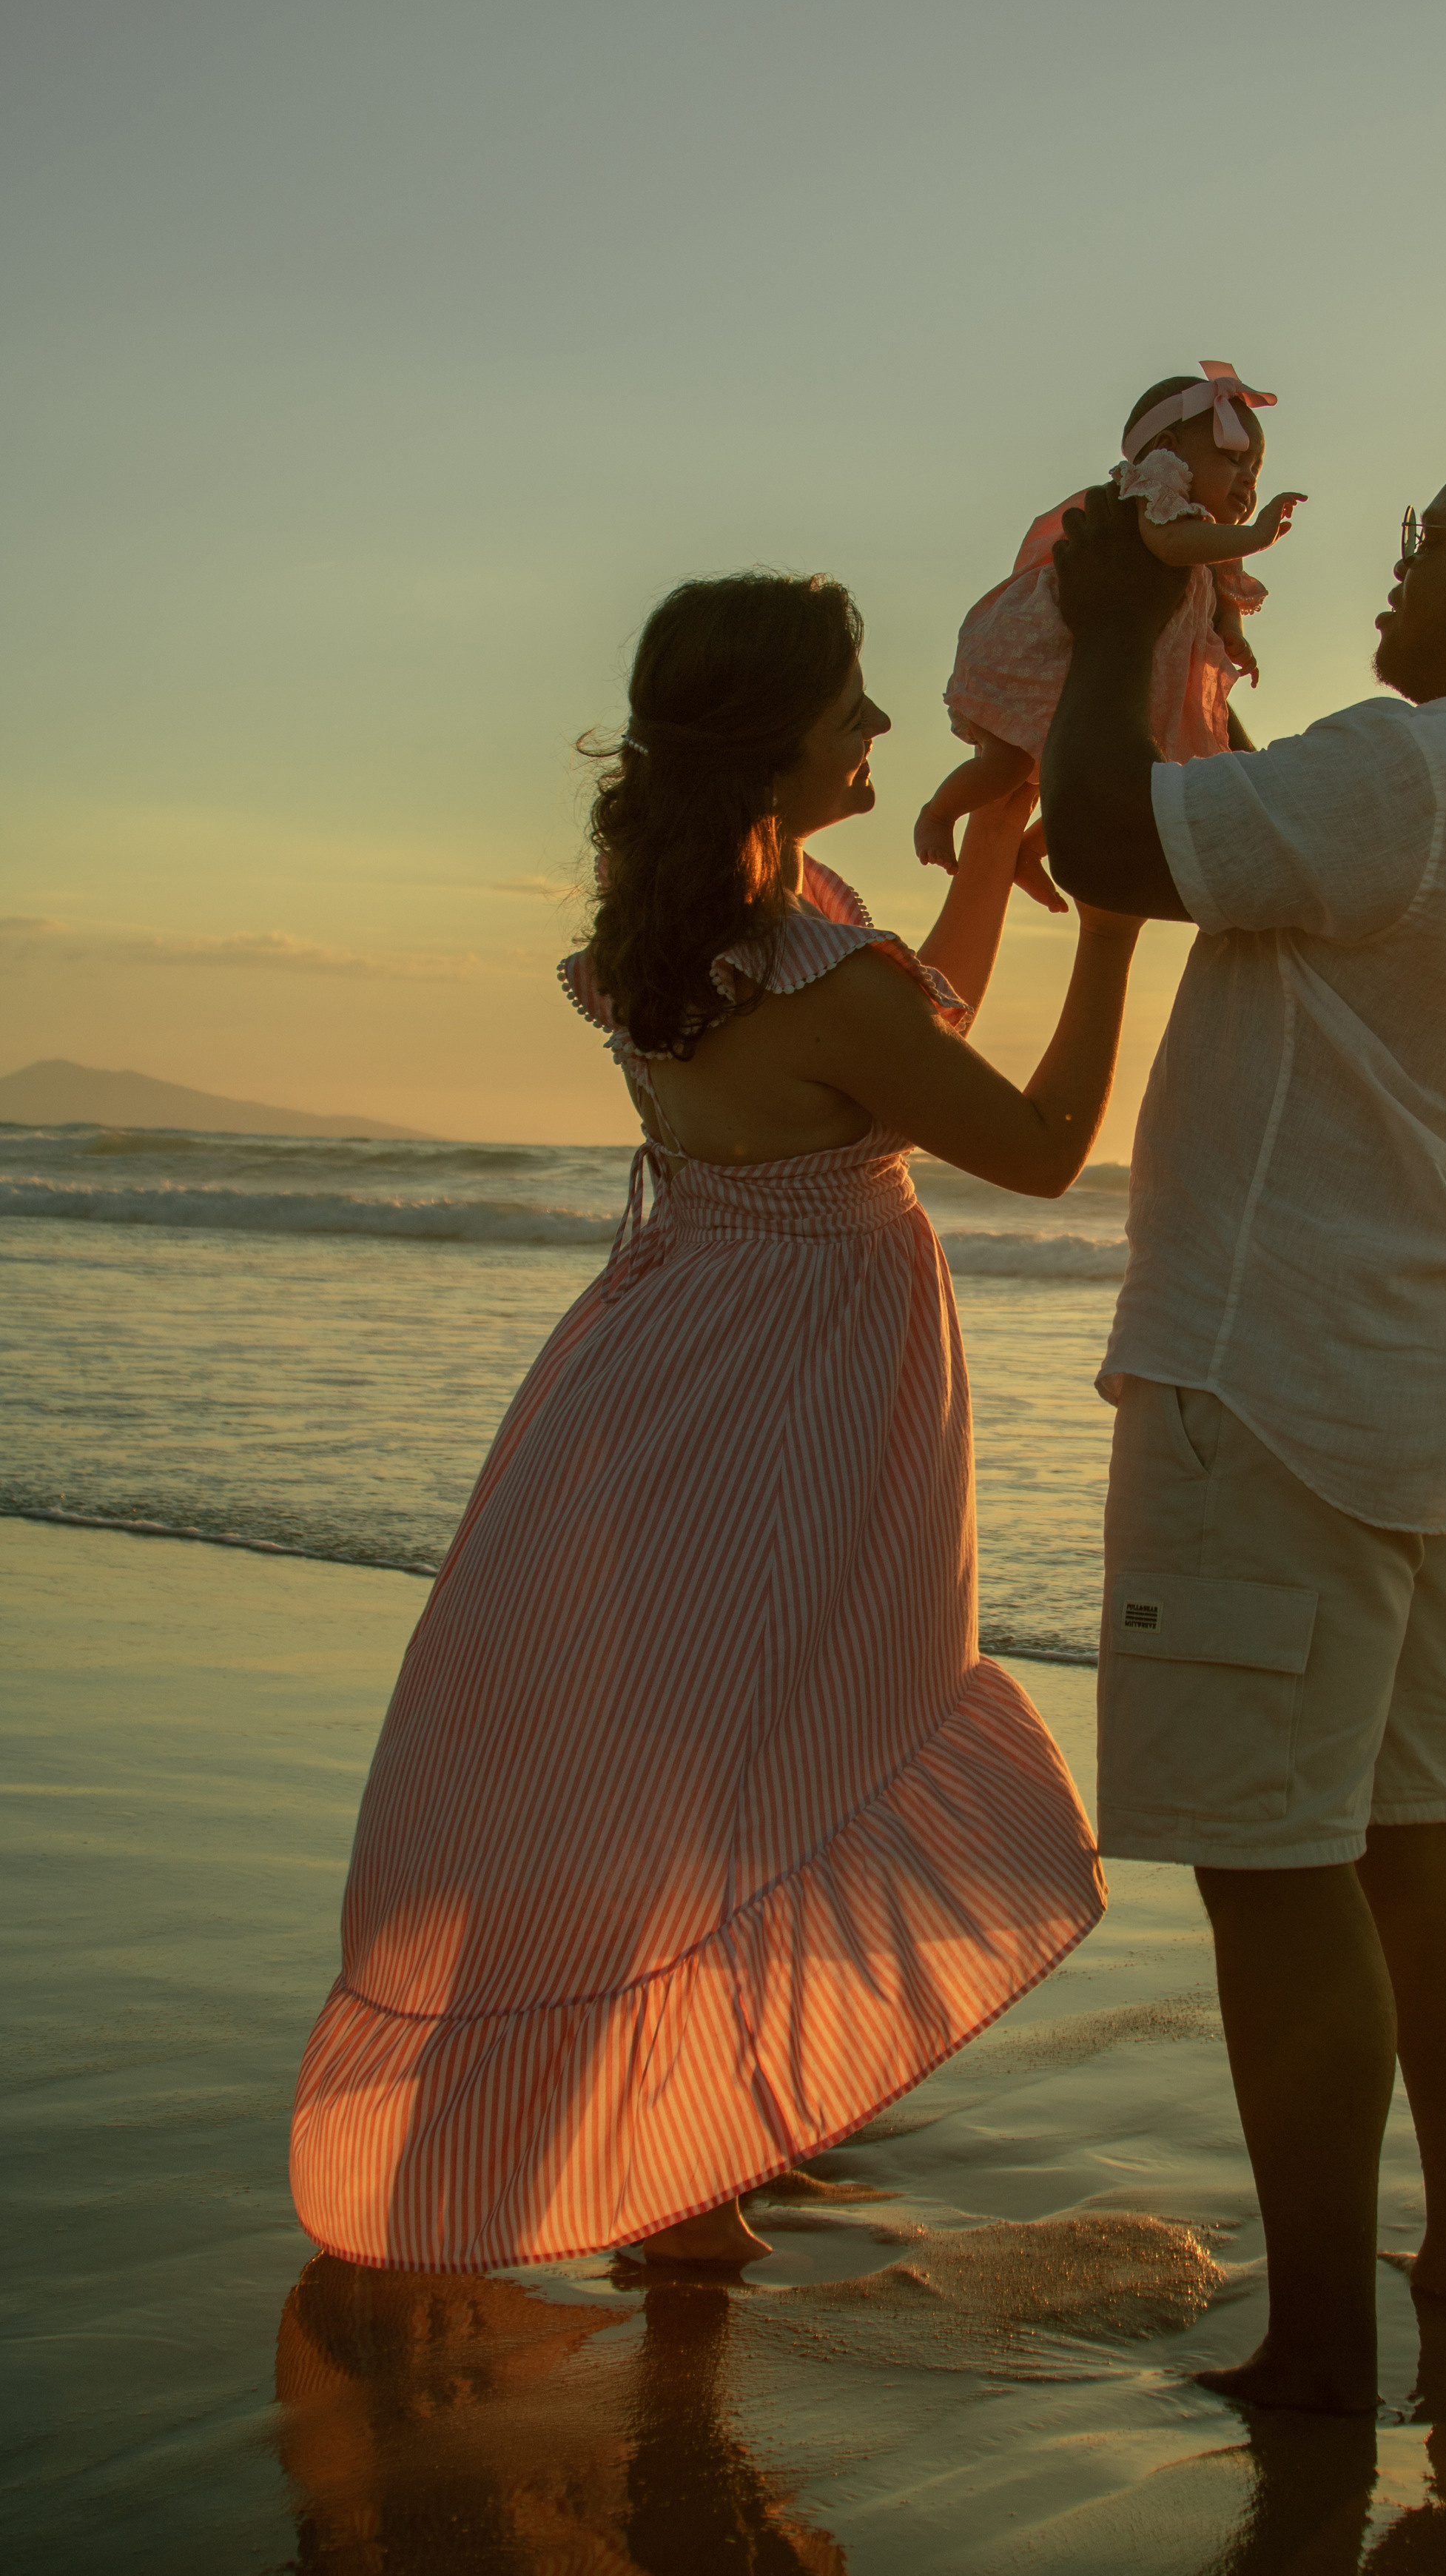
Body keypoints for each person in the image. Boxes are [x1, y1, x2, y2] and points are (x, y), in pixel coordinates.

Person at [290, 569, 1142, 2275]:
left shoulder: (691, 933)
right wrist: (1112, 929)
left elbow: (912, 1034)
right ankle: (679, 2179)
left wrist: (990, 847)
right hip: (790, 1397)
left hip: (675, 1362)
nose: (879, 725)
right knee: (756, 1753)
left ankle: (691, 2156)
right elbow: (1039, 1144)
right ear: (770, 741)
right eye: (850, 701)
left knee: (689, 1754)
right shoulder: (815, 972)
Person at [1040, 423, 1446, 2412]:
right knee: (1413, 1830)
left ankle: (1315, 2344)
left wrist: (1111, 620)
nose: (1395, 565)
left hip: (1273, 1377)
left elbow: (1105, 845)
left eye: (1432, 536)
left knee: (1276, 1869)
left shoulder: (1407, 770)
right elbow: (1231, 835)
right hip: (1434, 1374)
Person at [915, 361, 1305, 907]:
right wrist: (1258, 536)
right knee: (1010, 765)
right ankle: (937, 814)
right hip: (1055, 657)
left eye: (1256, 471)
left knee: (1118, 781)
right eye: (1234, 459)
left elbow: (1221, 595)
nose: (1248, 481)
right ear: (1166, 450)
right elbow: (1170, 545)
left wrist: (1233, 632)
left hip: (1137, 674)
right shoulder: (1157, 493)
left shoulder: (1211, 539)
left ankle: (1030, 852)